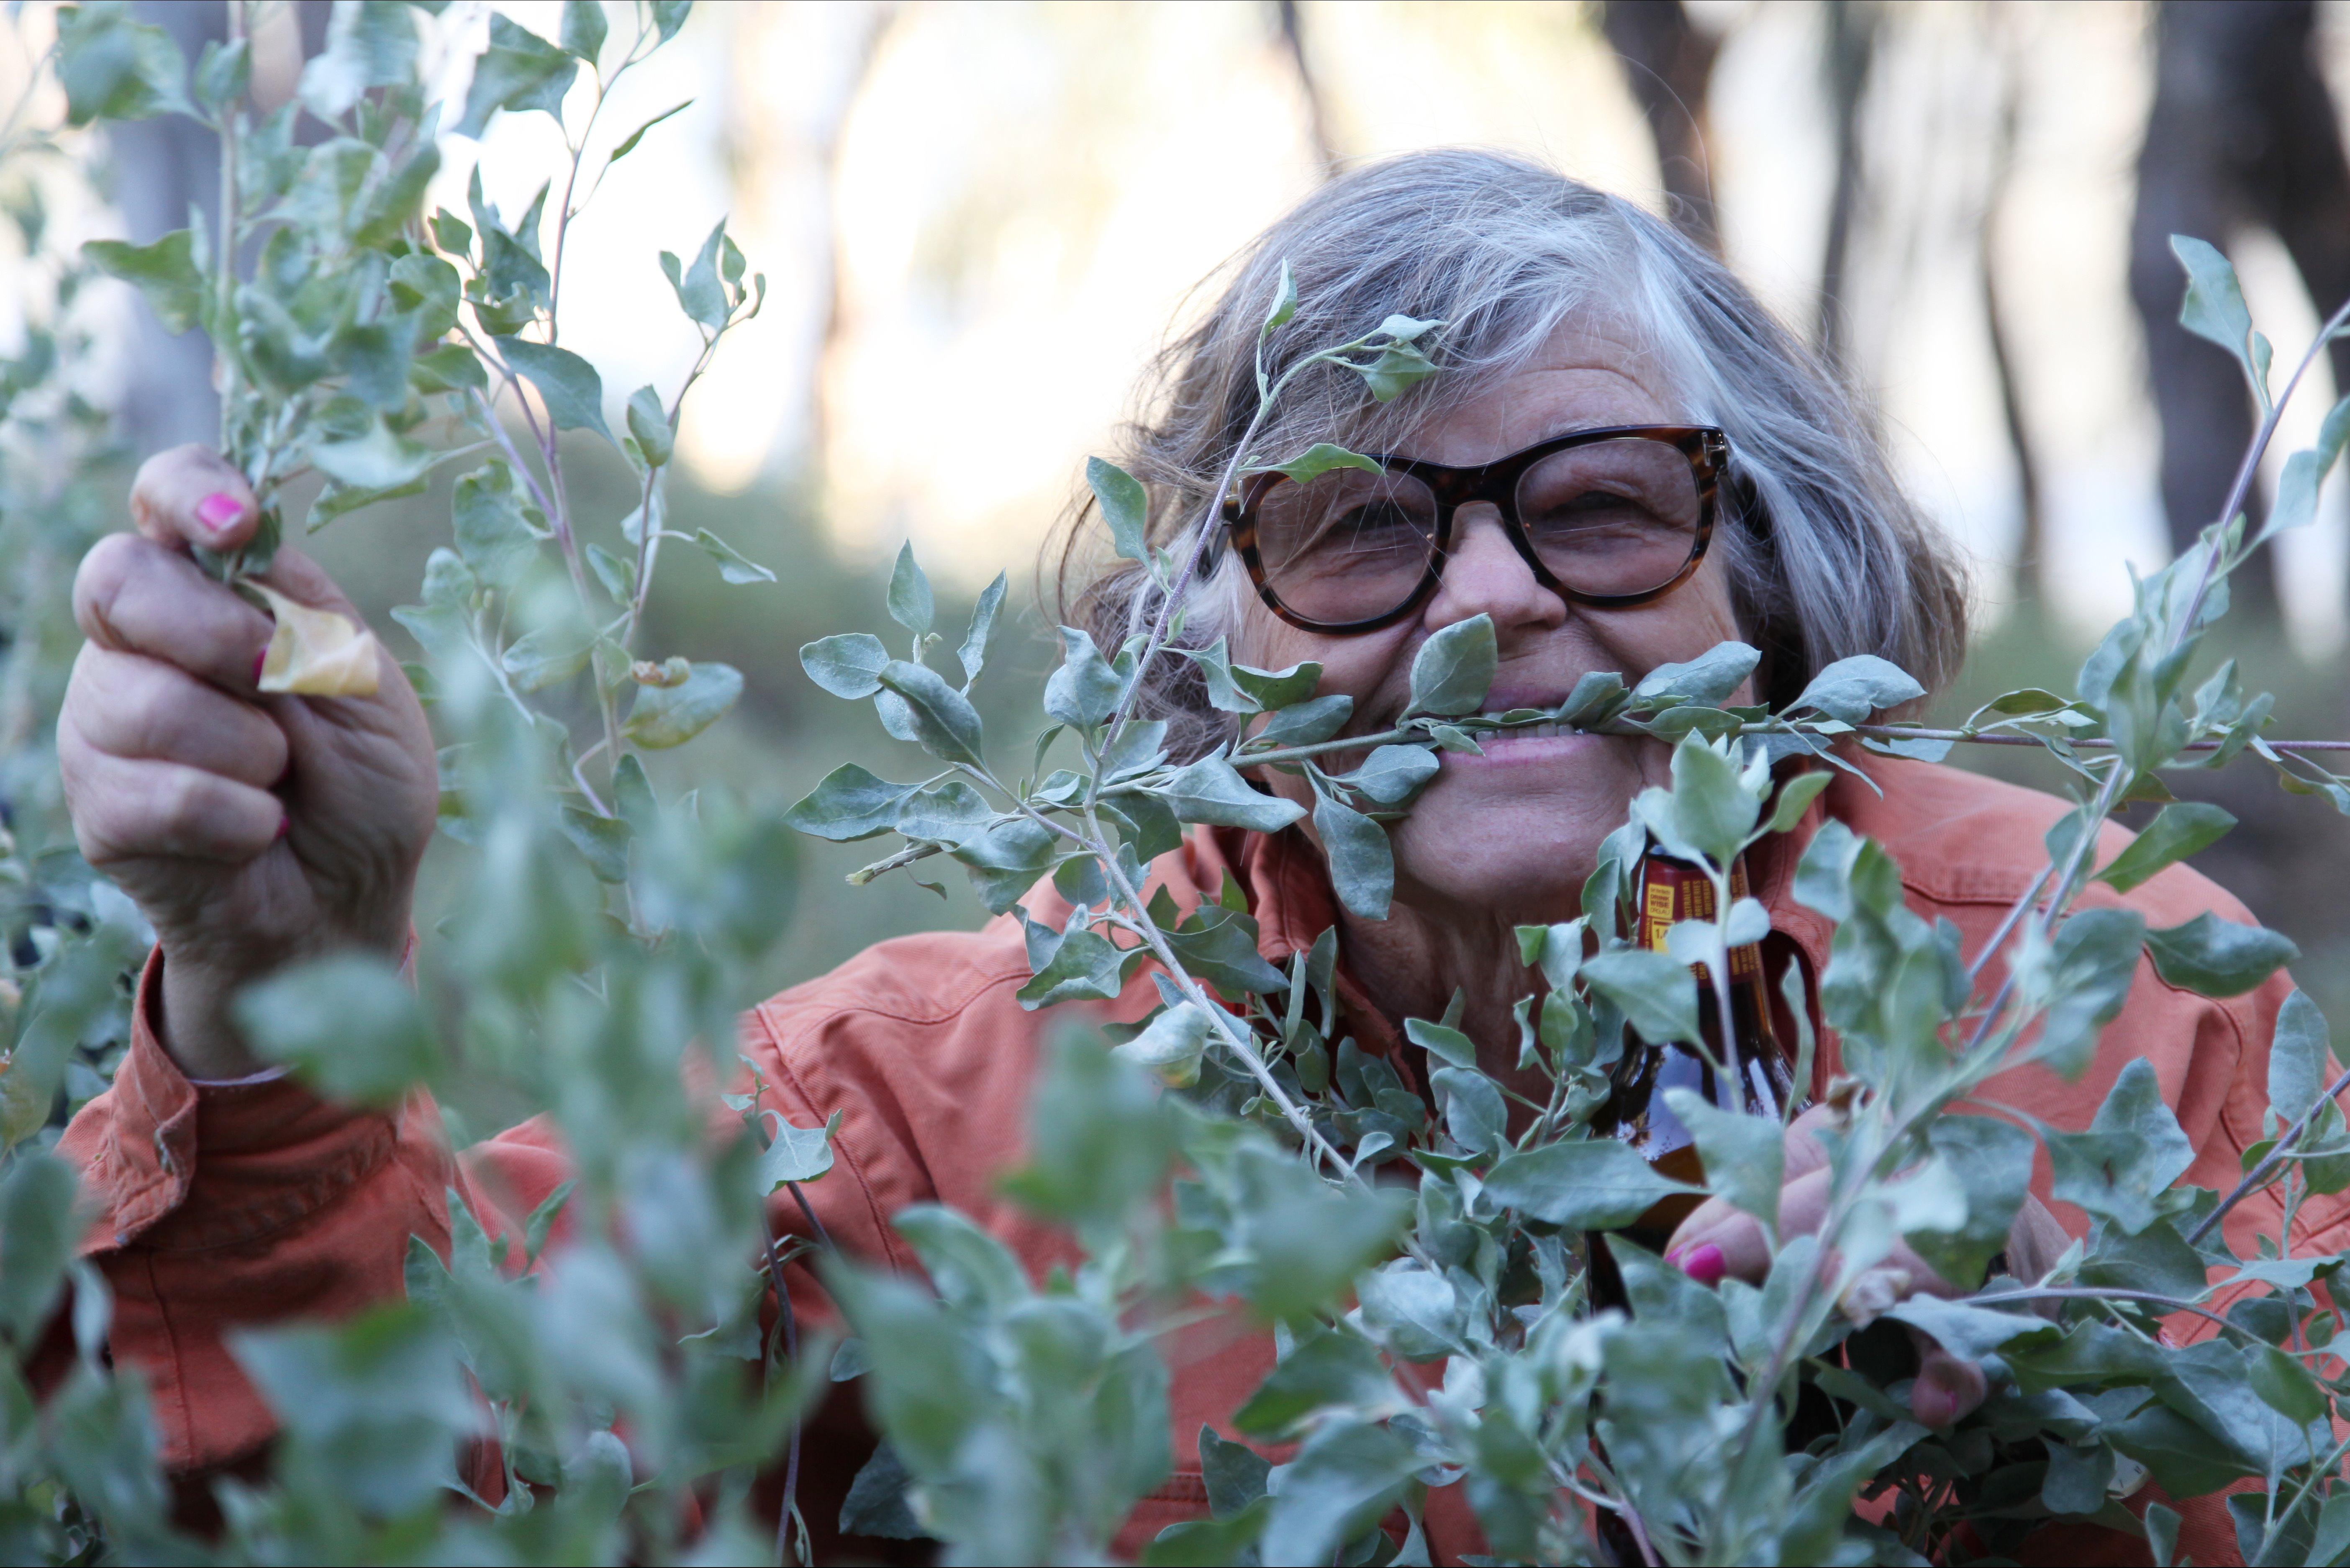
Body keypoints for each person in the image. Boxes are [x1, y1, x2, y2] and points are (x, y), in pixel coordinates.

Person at [54, 149, 2308, 1563]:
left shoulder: (2089, 978)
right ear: (1197, 644)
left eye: (1606, 500)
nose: (1494, 601)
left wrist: (2037, 1408)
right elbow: (359, 1473)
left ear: (1774, 576)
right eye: (1356, 529)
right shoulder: (929, 1109)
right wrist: (276, 992)